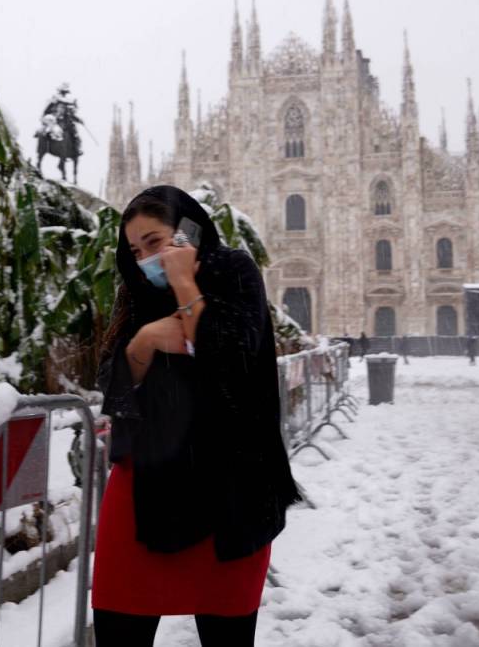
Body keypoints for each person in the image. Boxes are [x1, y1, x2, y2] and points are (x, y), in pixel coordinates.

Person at [94, 186, 300, 647]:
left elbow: (232, 359)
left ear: (189, 231)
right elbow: (114, 387)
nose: (146, 256)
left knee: (226, 633)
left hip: (231, 490)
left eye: (155, 240)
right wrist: (143, 341)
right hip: (145, 487)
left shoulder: (236, 272)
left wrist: (186, 287)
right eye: (136, 249)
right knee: (117, 622)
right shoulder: (139, 296)